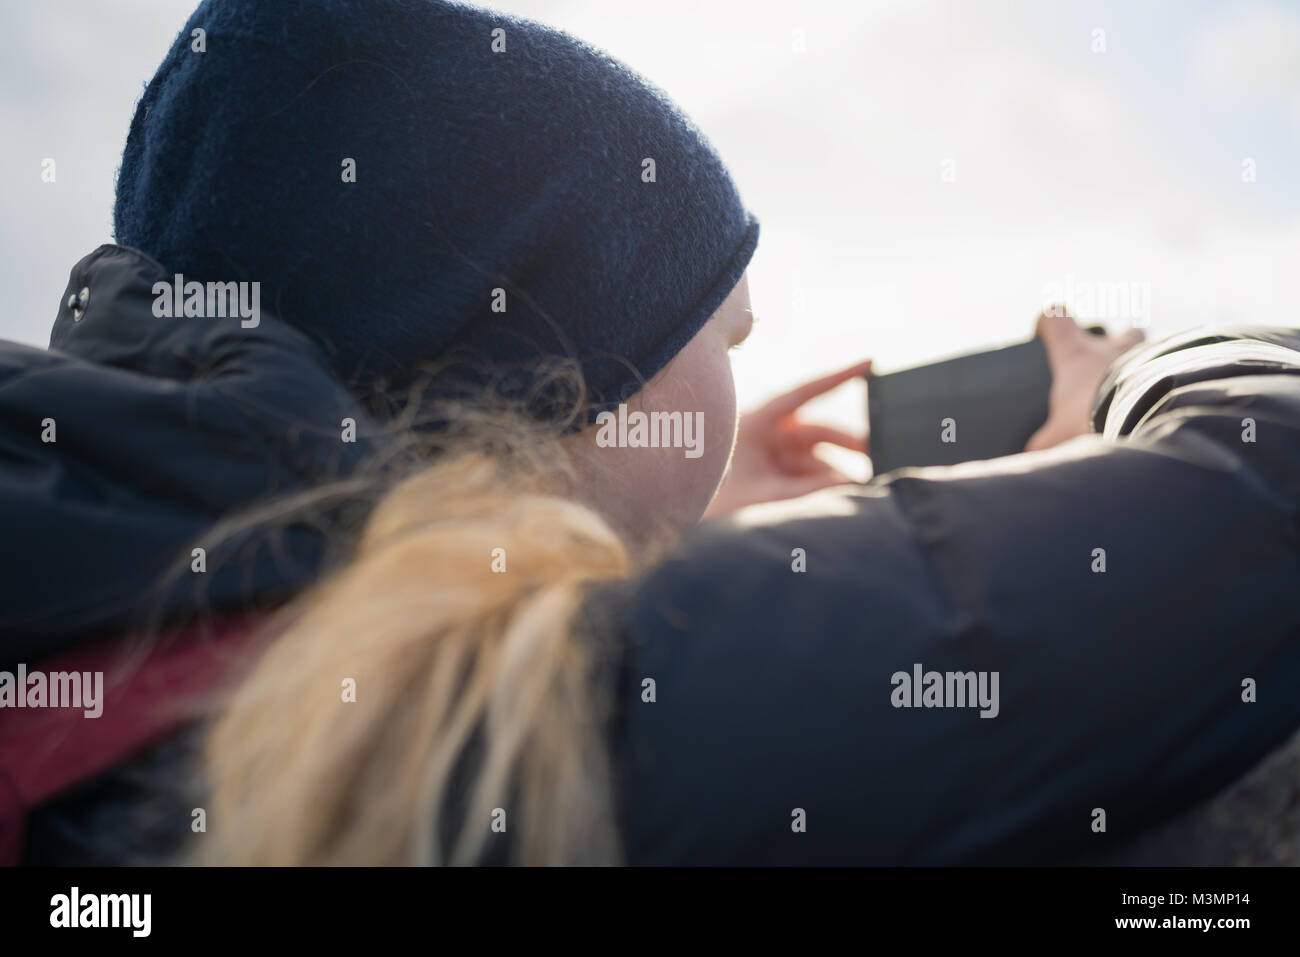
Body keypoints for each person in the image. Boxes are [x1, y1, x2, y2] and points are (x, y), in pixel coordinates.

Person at [3, 0, 1300, 865]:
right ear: (560, 394)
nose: (744, 362)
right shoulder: (508, 711)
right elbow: (1269, 483)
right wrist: (1131, 388)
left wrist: (666, 514)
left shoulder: (107, 584)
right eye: (726, 335)